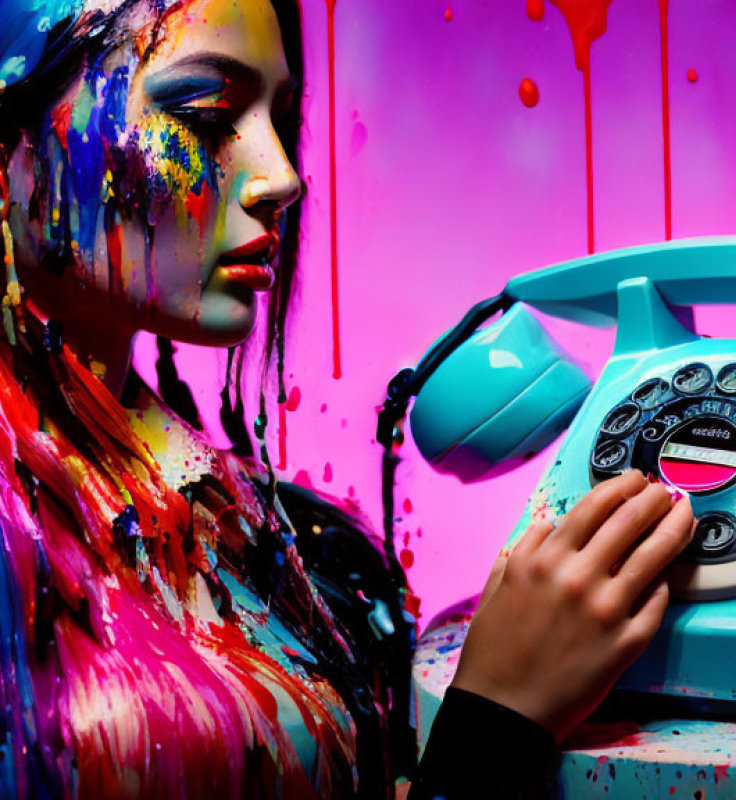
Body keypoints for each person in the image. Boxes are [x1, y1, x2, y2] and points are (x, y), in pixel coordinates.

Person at [0, 1, 696, 798]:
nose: (285, 178)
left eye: (281, 117)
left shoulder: (288, 543)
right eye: (205, 113)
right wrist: (496, 725)